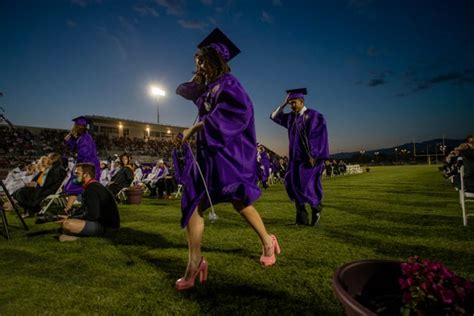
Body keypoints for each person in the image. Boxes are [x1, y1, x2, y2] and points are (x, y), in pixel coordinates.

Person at [174, 28, 279, 290]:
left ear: (213, 60)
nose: (197, 66)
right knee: (193, 203)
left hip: (227, 152)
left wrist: (196, 128)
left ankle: (267, 240)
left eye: (201, 61)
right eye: (196, 63)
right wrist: (197, 75)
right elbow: (183, 90)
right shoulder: (206, 87)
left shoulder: (230, 84)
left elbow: (238, 113)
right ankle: (195, 262)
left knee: (238, 200)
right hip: (207, 154)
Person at [270, 88, 329, 226]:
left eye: (293, 102)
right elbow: (274, 117)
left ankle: (316, 208)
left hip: (309, 160)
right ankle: (301, 219)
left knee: (306, 186)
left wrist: (314, 154)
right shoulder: (292, 117)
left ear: (302, 101)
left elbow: (319, 137)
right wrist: (283, 104)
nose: (292, 105)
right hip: (294, 159)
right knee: (293, 185)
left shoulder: (314, 116)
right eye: (290, 103)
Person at [57, 163, 120, 242]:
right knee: (66, 224)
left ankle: (75, 235)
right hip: (106, 224)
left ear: (85, 175)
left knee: (67, 224)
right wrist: (71, 215)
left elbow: (92, 215)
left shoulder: (91, 189)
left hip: (107, 227)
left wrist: (71, 218)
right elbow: (86, 209)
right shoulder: (93, 186)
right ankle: (74, 234)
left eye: (77, 173)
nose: (75, 176)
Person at [63, 116, 101, 212]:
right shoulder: (80, 138)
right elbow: (73, 147)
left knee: (85, 187)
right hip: (84, 166)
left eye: (77, 126)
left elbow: (85, 154)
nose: (75, 128)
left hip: (89, 167)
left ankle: (89, 208)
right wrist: (70, 139)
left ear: (82, 127)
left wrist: (77, 158)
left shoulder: (86, 138)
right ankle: (68, 208)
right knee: (76, 187)